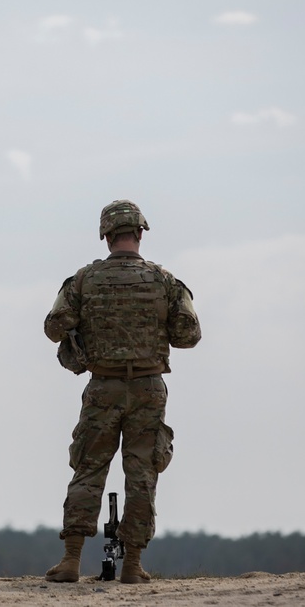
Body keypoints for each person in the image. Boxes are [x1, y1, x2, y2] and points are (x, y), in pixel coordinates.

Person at [43, 200, 201, 584]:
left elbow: (53, 326)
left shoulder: (83, 280)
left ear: (107, 235)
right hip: (148, 387)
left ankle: (71, 561)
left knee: (89, 468)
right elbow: (189, 335)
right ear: (140, 234)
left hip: (102, 386)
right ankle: (132, 566)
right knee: (142, 475)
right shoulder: (165, 280)